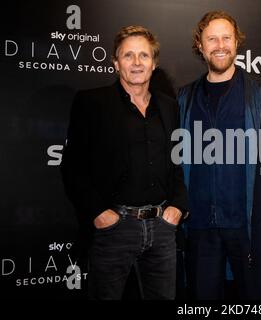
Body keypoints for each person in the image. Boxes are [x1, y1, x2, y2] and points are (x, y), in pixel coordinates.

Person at [61, 25, 188, 300]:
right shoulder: (92, 103)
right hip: (115, 228)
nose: (137, 62)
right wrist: (99, 213)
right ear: (116, 63)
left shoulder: (169, 106)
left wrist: (177, 206)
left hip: (162, 229)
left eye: (144, 55)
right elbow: (73, 168)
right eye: (128, 55)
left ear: (154, 64)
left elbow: (176, 162)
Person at [176, 11, 261, 299]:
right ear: (200, 46)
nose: (220, 44)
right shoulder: (184, 98)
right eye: (211, 38)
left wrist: (255, 200)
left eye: (226, 37)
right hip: (199, 226)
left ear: (237, 43)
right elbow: (174, 159)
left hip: (247, 226)